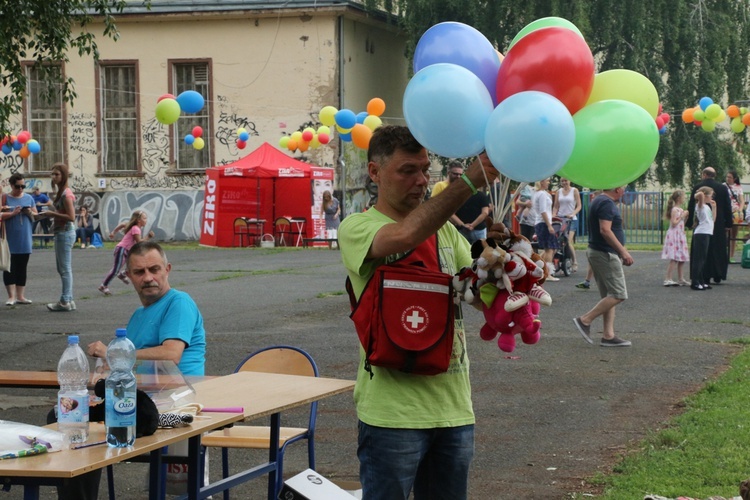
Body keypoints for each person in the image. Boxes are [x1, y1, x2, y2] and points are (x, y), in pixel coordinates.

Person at [338, 125, 497, 500]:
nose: (421, 180)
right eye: (407, 170)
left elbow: (480, 298)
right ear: (375, 173)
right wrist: (469, 183)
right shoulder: (358, 227)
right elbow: (405, 236)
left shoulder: (448, 235)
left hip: (453, 410)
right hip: (392, 416)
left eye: (426, 170)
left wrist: (505, 271)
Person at [88, 241, 206, 375]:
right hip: (147, 392)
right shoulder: (138, 315)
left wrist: (113, 354)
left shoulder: (179, 302)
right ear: (129, 276)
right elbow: (133, 361)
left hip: (180, 393)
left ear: (167, 270)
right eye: (139, 272)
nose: (148, 278)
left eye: (154, 269)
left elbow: (171, 354)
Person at [573, 186, 633, 347]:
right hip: (605, 254)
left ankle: (608, 335)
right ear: (618, 189)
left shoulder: (599, 199)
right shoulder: (606, 203)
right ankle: (585, 320)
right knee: (619, 294)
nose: (625, 192)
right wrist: (623, 252)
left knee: (609, 294)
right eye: (624, 189)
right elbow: (605, 230)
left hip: (597, 252)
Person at [686, 167, 732, 285]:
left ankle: (703, 276)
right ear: (714, 175)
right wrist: (728, 223)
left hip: (702, 223)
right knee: (718, 249)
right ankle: (718, 274)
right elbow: (728, 206)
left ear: (704, 175)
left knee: (701, 252)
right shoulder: (722, 188)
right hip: (718, 223)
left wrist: (689, 223)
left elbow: (691, 205)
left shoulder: (698, 187)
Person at [45, 163, 77, 312]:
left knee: (64, 269)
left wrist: (52, 214)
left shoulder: (66, 194)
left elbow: (71, 216)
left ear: (63, 175)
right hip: (61, 232)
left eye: (57, 174)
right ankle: (69, 299)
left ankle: (65, 301)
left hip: (65, 232)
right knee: (63, 268)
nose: (54, 177)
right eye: (52, 174)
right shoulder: (62, 192)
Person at [1, 174, 37, 306]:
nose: (21, 189)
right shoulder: (4, 198)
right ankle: (11, 296)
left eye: (23, 186)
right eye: (18, 186)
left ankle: (21, 296)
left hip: (24, 237)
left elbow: (36, 216)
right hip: (9, 238)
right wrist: (12, 213)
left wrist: (30, 213)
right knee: (9, 267)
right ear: (11, 185)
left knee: (22, 267)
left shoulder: (29, 198)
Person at [98, 210, 154, 295]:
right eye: (144, 218)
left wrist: (114, 232)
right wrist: (148, 237)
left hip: (128, 250)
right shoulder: (136, 229)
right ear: (139, 220)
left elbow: (122, 224)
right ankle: (104, 285)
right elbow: (139, 242)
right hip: (122, 249)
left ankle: (122, 274)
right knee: (115, 269)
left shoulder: (134, 227)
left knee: (136, 264)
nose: (146, 220)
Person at [532, 178, 559, 281]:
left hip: (541, 222)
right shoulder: (542, 194)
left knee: (550, 248)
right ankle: (547, 273)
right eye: (547, 181)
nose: (548, 182)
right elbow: (543, 211)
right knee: (549, 248)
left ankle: (538, 266)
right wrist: (549, 225)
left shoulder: (538, 193)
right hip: (543, 223)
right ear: (541, 182)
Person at [689, 187, 716, 291]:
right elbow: (699, 195)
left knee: (703, 259)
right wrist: (701, 195)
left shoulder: (707, 207)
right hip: (701, 234)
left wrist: (714, 207)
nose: (712, 197)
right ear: (705, 195)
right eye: (711, 195)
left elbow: (712, 220)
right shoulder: (699, 205)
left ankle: (701, 281)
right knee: (699, 259)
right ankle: (695, 282)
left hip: (707, 233)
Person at [552, 177, 582, 272]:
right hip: (560, 218)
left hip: (571, 219)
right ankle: (557, 260)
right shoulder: (558, 192)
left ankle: (574, 261)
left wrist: (573, 213)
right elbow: (556, 206)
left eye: (566, 180)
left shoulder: (574, 190)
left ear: (570, 181)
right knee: (558, 240)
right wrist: (553, 215)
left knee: (568, 241)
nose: (565, 182)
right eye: (563, 181)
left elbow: (579, 206)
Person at [661, 190, 690, 286]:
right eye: (683, 197)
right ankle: (668, 278)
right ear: (678, 198)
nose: (684, 198)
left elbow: (681, 223)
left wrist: (685, 217)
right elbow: (674, 223)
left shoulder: (680, 210)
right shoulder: (674, 210)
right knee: (674, 258)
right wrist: (682, 216)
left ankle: (681, 278)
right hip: (674, 235)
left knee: (681, 257)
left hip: (680, 234)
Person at [724, 170, 745, 262]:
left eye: (730, 177)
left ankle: (731, 256)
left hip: (735, 212)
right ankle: (724, 254)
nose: (728, 179)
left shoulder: (738, 187)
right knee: (724, 234)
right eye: (727, 177)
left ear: (734, 179)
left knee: (733, 234)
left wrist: (740, 210)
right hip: (726, 211)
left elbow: (742, 201)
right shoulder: (723, 186)